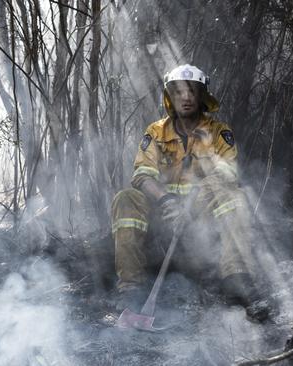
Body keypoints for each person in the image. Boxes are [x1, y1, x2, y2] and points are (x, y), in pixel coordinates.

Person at [111, 64, 271, 322]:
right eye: (178, 92)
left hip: (203, 221)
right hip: (163, 218)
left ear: (201, 96)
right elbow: (141, 174)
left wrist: (192, 205)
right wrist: (167, 200)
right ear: (170, 98)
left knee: (235, 198)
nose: (185, 97)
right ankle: (131, 290)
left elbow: (228, 173)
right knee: (125, 198)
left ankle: (238, 283)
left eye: (192, 91)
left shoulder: (219, 133)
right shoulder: (155, 132)